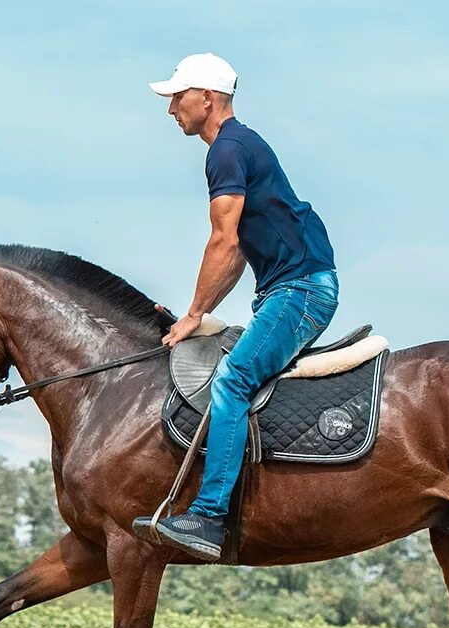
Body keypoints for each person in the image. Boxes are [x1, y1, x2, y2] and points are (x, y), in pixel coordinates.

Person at [143, 53, 339, 561]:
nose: (170, 110)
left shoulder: (226, 150)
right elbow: (233, 260)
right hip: (290, 286)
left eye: (176, 98)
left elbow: (223, 243)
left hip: (299, 291)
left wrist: (191, 314)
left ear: (206, 97)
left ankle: (208, 518)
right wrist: (198, 312)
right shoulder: (237, 145)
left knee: (231, 381)